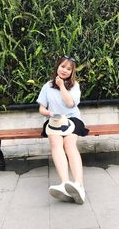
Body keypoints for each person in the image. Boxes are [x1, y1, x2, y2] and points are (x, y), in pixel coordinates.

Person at [36, 55, 89, 204]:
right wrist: (48, 113)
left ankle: (79, 185)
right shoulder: (47, 86)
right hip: (55, 120)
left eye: (68, 68)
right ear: (57, 67)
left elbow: (70, 103)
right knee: (55, 142)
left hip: (72, 119)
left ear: (72, 72)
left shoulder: (75, 85)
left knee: (69, 144)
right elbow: (41, 108)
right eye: (62, 66)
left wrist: (61, 86)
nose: (64, 70)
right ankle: (65, 184)